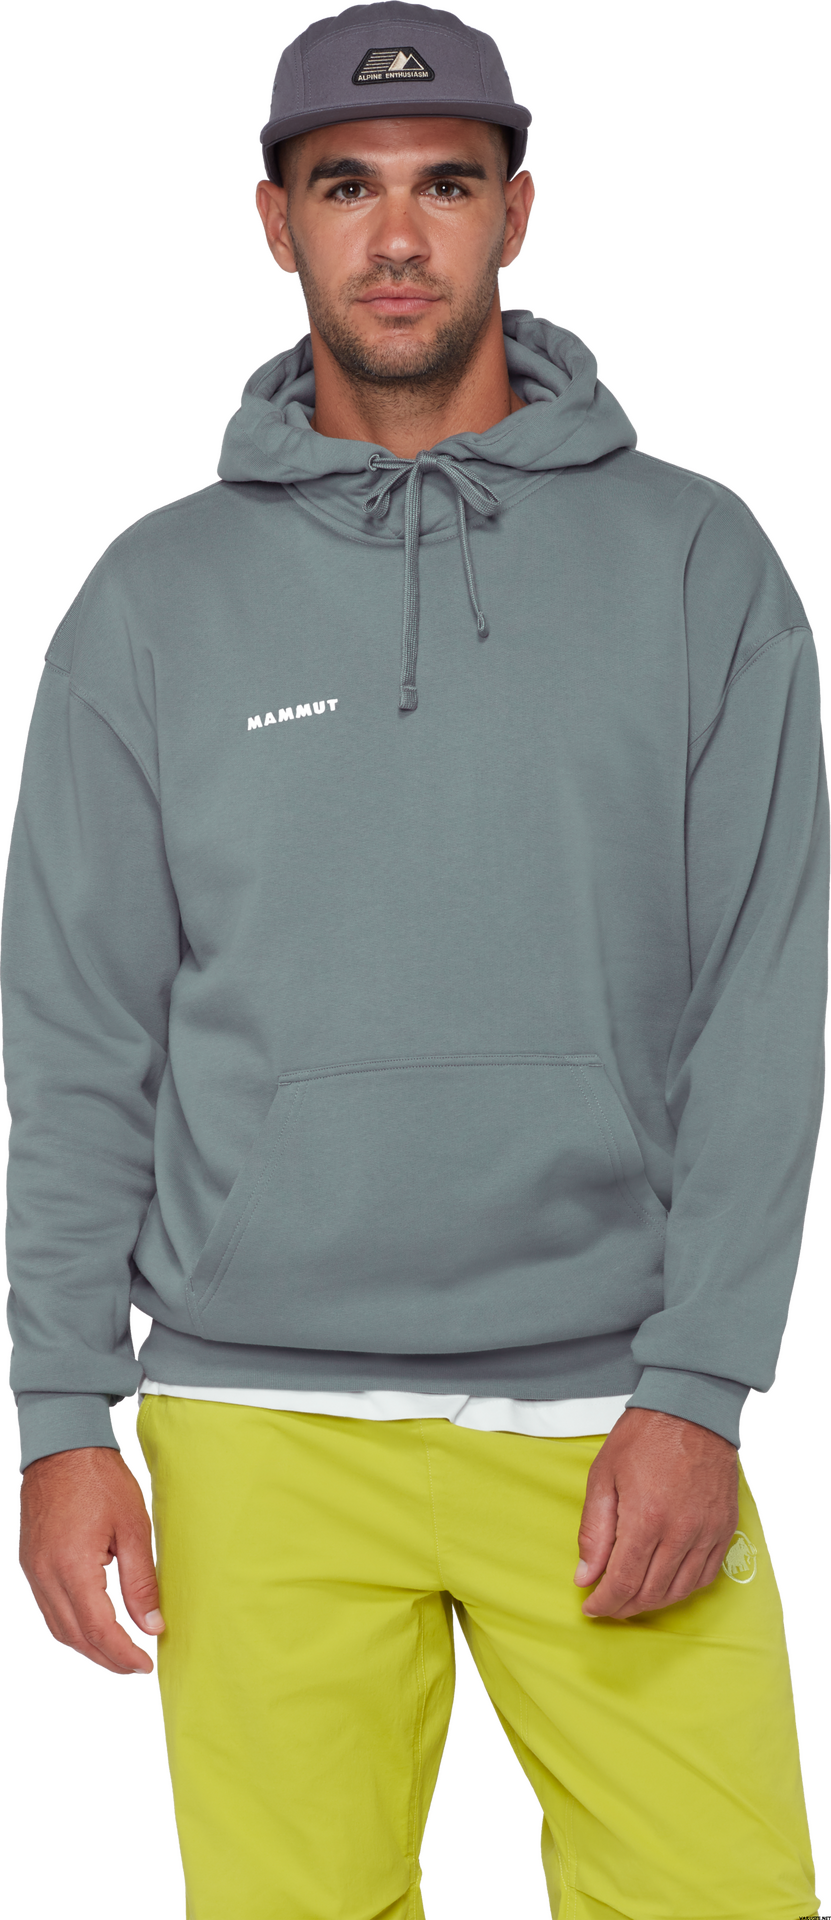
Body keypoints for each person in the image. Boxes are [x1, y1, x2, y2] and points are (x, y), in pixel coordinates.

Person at [4, 2, 826, 1914]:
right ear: (273, 222)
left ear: (515, 213)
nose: (395, 235)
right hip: (251, 1427)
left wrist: (703, 1385)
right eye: (344, 186)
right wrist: (61, 1415)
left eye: (445, 185)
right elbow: (78, 1032)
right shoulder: (151, 595)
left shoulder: (695, 558)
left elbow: (761, 1000)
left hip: (610, 1406)